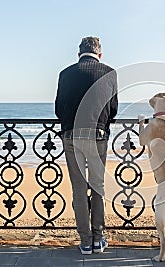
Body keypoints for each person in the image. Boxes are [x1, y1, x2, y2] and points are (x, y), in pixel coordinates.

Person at [55, 36, 118, 255]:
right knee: (98, 187)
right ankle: (99, 238)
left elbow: (59, 107)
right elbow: (113, 108)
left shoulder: (65, 73)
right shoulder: (109, 72)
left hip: (71, 135)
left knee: (79, 190)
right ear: (99, 54)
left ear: (78, 54)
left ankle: (85, 241)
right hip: (97, 135)